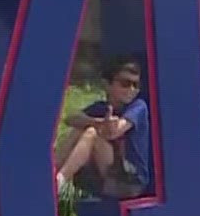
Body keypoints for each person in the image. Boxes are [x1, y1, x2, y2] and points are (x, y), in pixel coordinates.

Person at [55, 56, 151, 200]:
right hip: (106, 176)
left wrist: (105, 126)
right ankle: (52, 174)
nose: (131, 90)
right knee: (80, 130)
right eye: (125, 84)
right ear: (108, 85)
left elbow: (116, 131)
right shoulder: (101, 107)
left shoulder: (138, 106)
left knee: (91, 134)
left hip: (130, 181)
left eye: (135, 85)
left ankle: (59, 182)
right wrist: (97, 122)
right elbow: (71, 119)